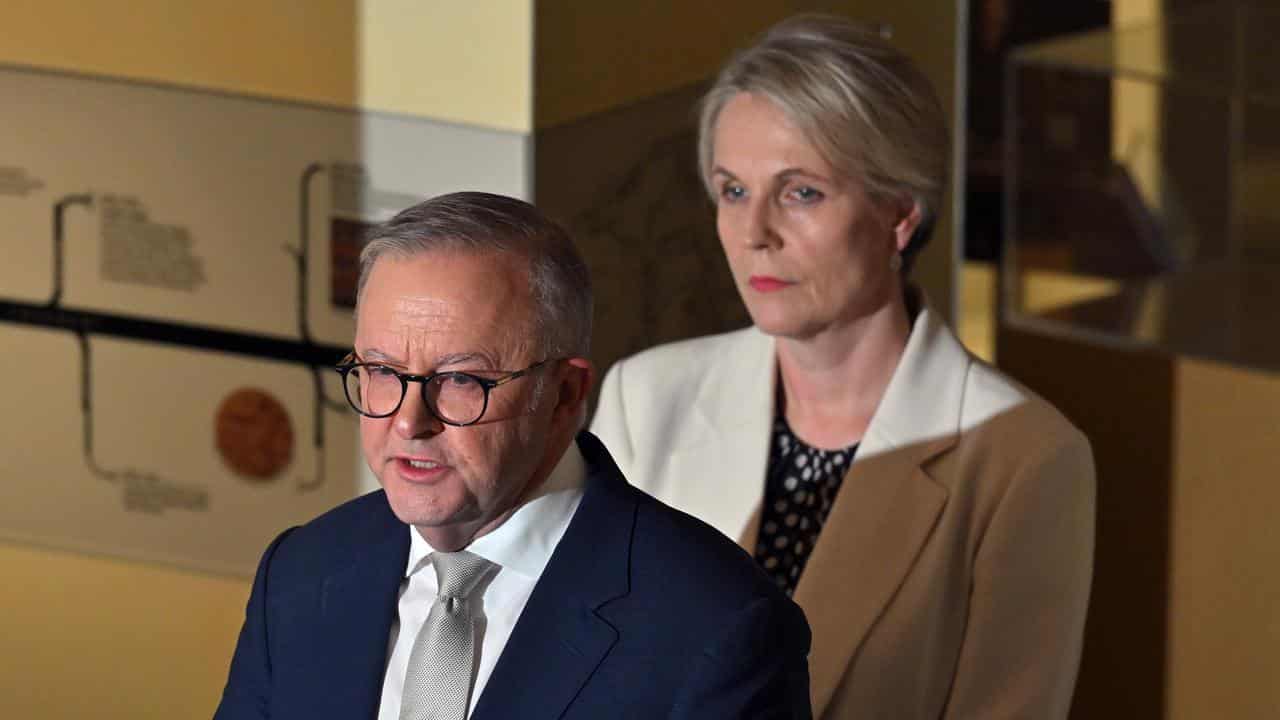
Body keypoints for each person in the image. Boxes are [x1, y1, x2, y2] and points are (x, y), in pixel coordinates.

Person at [591, 15, 1095, 719]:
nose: (754, 233)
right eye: (733, 190)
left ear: (900, 215)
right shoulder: (644, 397)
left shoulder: (1026, 458)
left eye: (801, 192)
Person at [214, 192, 812, 719]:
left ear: (565, 395)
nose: (407, 421)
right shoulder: (300, 574)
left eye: (461, 380)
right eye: (381, 371)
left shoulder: (718, 629)